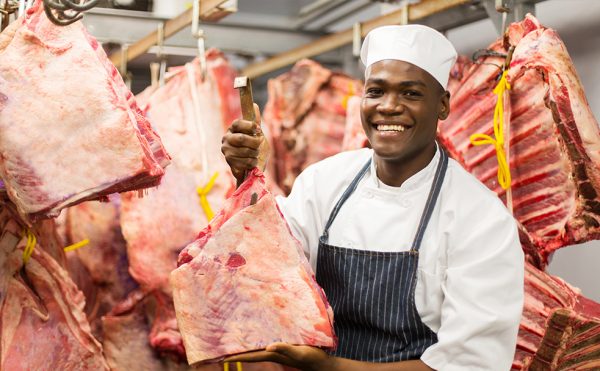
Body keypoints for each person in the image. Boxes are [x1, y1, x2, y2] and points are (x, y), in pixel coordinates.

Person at [221, 24, 524, 371]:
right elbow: (265, 266)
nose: (389, 106)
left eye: (410, 93)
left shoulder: (479, 218)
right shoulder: (324, 183)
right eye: (376, 91)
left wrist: (330, 368)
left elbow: (469, 365)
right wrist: (246, 176)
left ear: (442, 106)